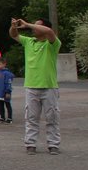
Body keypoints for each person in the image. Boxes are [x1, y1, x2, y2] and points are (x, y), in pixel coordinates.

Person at [10, 17, 62, 154]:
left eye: (37, 26)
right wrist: (14, 26)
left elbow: (49, 32)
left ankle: (53, 144)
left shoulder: (52, 43)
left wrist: (27, 24)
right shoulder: (29, 42)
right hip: (31, 86)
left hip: (49, 86)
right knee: (31, 118)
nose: (33, 28)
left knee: (52, 117)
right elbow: (13, 34)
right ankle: (30, 144)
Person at [0, 57, 14, 123]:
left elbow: (8, 83)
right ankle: (2, 117)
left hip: (5, 92)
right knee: (0, 105)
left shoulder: (7, 73)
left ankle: (10, 118)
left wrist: (8, 92)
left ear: (4, 64)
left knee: (7, 104)